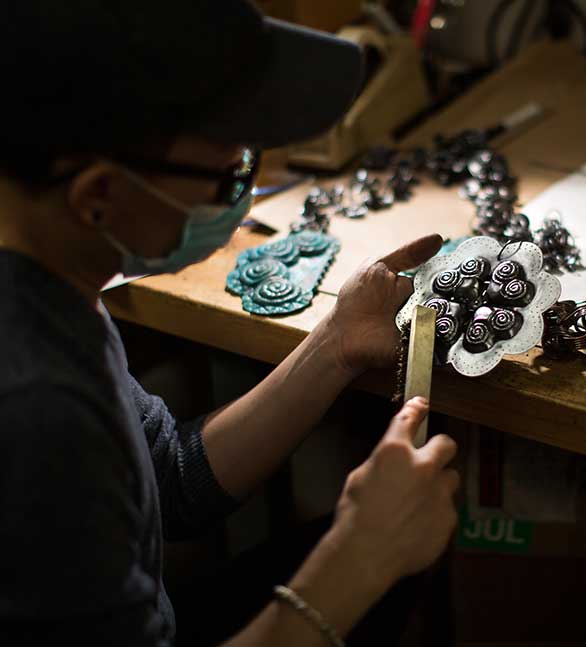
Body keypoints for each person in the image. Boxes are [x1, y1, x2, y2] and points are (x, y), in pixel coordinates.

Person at [0, 1, 458, 645]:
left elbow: (169, 480)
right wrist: (361, 558)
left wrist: (334, 345)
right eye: (228, 174)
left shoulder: (57, 278)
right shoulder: (35, 404)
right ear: (99, 196)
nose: (243, 197)